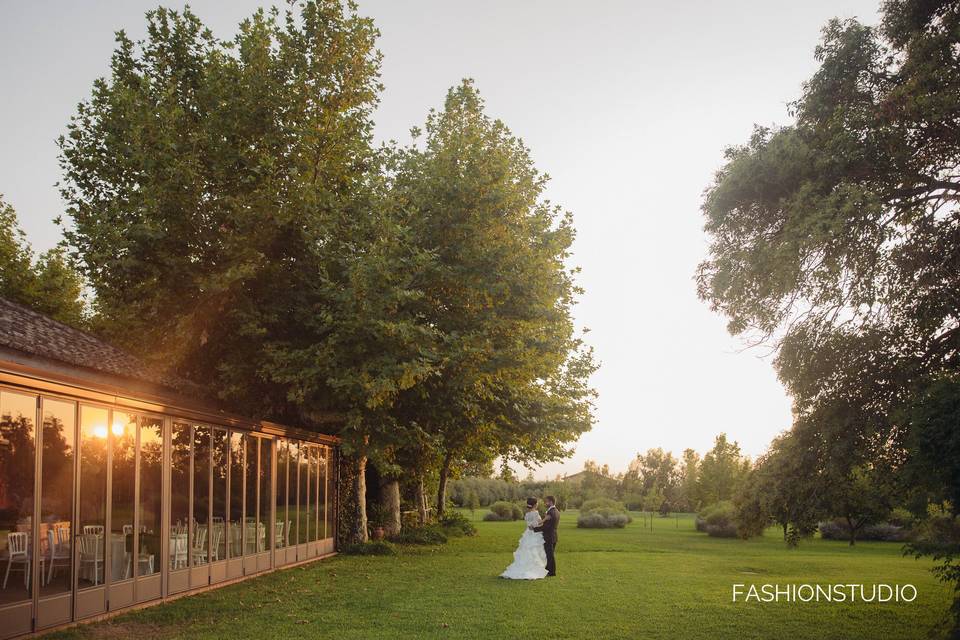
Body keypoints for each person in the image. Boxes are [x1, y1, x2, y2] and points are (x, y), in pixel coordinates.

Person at [499, 497, 548, 580]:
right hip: (534, 534)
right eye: (537, 503)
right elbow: (538, 524)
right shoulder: (535, 513)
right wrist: (545, 519)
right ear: (535, 504)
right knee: (534, 551)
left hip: (528, 534)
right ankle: (532, 570)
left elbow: (529, 526)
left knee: (526, 550)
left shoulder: (527, 514)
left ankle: (523, 568)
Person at [533, 495, 559, 576]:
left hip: (549, 537)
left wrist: (534, 529)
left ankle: (552, 572)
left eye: (546, 501)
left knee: (550, 555)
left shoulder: (551, 512)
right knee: (549, 554)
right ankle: (548, 570)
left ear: (551, 502)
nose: (545, 503)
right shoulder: (556, 511)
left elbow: (546, 527)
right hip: (553, 536)